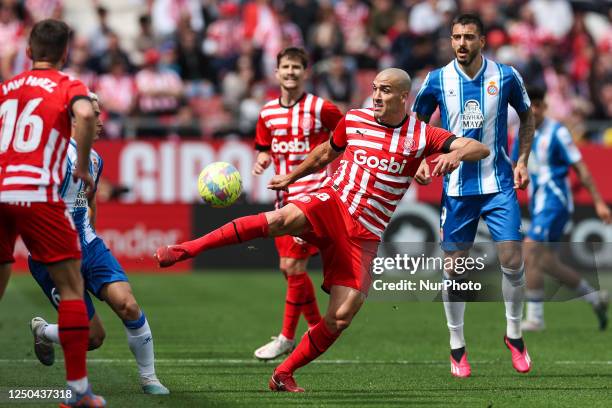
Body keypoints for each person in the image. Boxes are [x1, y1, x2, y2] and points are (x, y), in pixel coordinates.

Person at [155, 67, 490, 391]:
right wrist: (292, 177)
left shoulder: (421, 135)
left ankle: (283, 374)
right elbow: (326, 152)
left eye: (384, 90)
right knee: (279, 221)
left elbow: (479, 147)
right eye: (373, 88)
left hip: (364, 233)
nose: (375, 95)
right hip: (332, 201)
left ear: (405, 96)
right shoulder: (355, 119)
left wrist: (455, 155)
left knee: (342, 315)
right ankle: (183, 250)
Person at [412, 13, 535, 377]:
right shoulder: (436, 80)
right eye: (456, 37)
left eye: (468, 37)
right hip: (457, 190)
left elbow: (527, 117)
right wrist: (419, 160)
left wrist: (523, 160)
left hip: (498, 183)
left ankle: (514, 334)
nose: (461, 43)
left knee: (512, 260)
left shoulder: (506, 76)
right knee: (456, 272)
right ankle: (457, 346)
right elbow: (415, 127)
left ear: (483, 40)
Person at [28, 93, 170, 395]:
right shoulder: (51, 156)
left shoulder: (94, 158)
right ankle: (43, 331)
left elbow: (87, 199)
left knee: (128, 304)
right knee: (93, 337)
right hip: (52, 254)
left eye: (100, 114)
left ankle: (149, 378)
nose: (101, 122)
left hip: (87, 245)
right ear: (74, 120)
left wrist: (91, 234)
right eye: (94, 115)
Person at [0, 19, 105, 407]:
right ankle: (78, 394)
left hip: (1, 188)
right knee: (73, 289)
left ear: (28, 52)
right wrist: (80, 165)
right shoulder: (68, 85)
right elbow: (88, 115)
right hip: (36, 192)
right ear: (65, 54)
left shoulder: (6, 88)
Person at [251, 47, 343, 360]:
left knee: (293, 266)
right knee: (288, 270)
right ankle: (317, 327)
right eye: (285, 67)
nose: (290, 72)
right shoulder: (266, 113)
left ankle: (287, 337)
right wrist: (263, 159)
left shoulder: (321, 108)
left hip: (313, 194)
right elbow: (264, 146)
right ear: (276, 72)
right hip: (283, 196)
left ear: (305, 72)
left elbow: (347, 135)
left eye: (296, 67)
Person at [511, 87, 611, 331]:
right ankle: (594, 297)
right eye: (529, 106)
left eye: (537, 105)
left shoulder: (557, 133)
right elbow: (514, 166)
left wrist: (598, 201)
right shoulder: (521, 134)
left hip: (555, 201)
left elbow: (581, 169)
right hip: (539, 203)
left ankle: (535, 318)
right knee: (547, 262)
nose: (533, 110)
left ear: (544, 107)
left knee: (530, 250)